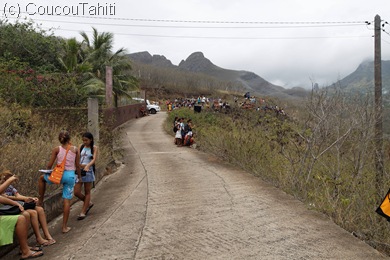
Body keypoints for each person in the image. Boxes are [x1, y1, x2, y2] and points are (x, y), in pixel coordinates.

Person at [38, 130, 80, 233]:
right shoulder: (75, 149)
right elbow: (77, 165)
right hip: (70, 176)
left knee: (41, 179)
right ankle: (64, 227)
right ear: (70, 139)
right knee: (66, 201)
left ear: (59, 140)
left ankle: (41, 200)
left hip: (59, 175)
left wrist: (48, 171)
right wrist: (79, 176)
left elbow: (49, 164)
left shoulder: (56, 149)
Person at [1, 171, 56, 247]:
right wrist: (14, 199)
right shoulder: (2, 187)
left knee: (39, 209)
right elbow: (4, 198)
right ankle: (37, 239)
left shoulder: (10, 187)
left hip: (18, 205)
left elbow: (18, 195)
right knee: (32, 213)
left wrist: (28, 198)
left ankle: (47, 235)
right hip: (9, 208)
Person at [0, 175, 44, 259]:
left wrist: (16, 203)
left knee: (26, 214)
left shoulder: (10, 187)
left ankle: (24, 247)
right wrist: (9, 181)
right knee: (21, 218)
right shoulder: (6, 184)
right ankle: (25, 251)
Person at [74, 132, 98, 220]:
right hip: (80, 171)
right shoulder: (81, 146)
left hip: (88, 171)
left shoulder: (94, 148)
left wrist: (88, 165)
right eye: (83, 140)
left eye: (86, 140)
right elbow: (77, 157)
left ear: (91, 139)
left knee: (87, 191)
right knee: (76, 192)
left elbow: (94, 159)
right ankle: (88, 203)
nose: (85, 142)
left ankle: (83, 211)